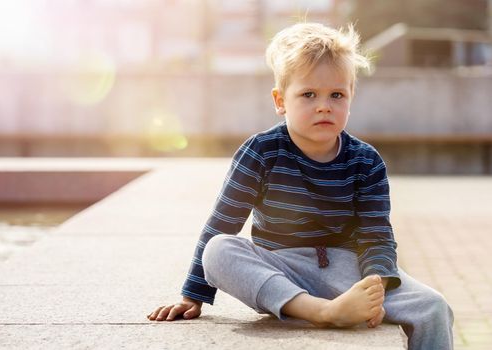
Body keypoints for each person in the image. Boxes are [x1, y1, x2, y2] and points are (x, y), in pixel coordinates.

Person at [147, 22, 454, 350]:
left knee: (434, 307)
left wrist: (374, 285)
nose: (324, 105)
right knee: (219, 249)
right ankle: (322, 312)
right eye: (309, 94)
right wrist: (192, 295)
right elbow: (222, 222)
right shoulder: (262, 151)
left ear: (351, 97)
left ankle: (345, 304)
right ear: (280, 100)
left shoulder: (366, 161)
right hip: (281, 273)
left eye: (337, 95)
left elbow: (376, 235)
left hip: (347, 271)